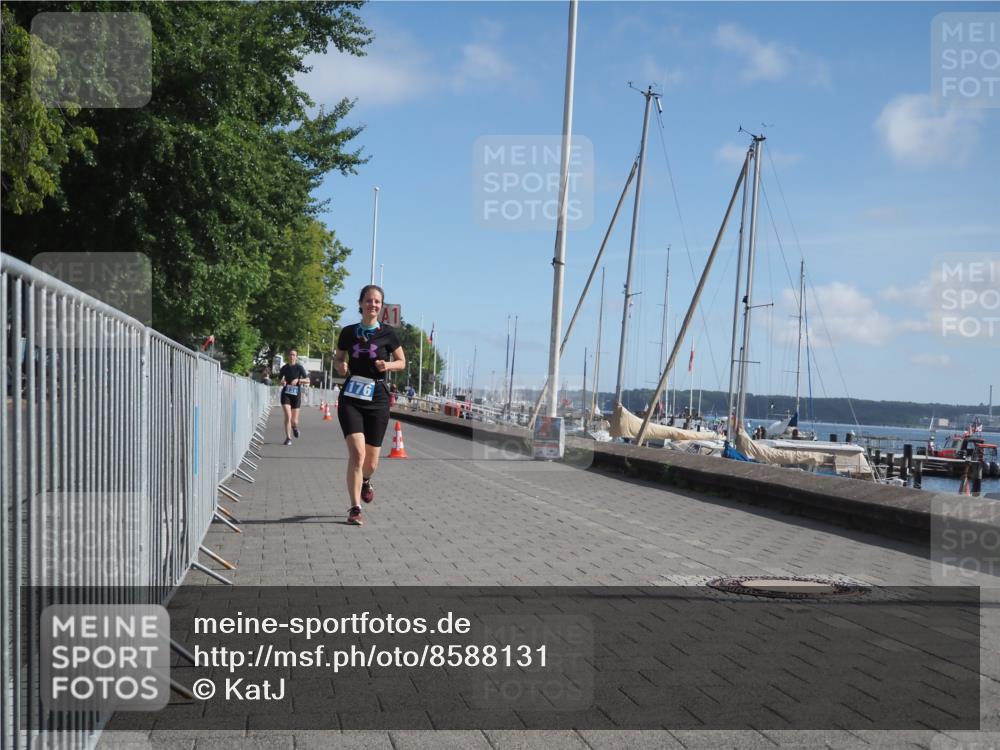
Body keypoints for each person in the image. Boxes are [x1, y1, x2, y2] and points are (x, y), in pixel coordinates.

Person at [334, 285, 406, 526]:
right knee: (357, 453)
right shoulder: (348, 332)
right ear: (361, 303)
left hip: (377, 397)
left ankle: (365, 480)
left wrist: (388, 366)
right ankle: (355, 508)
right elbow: (339, 358)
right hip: (352, 396)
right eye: (368, 300)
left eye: (377, 302)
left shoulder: (388, 333)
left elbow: (402, 362)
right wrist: (340, 367)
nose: (372, 305)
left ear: (381, 307)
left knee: (371, 462)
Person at [279, 349, 308, 446]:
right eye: (290, 354)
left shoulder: (299, 367)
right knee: (288, 416)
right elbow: (280, 379)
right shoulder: (284, 368)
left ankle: (294, 427)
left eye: (294, 355)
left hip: (296, 394)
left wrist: (298, 380)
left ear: (296, 357)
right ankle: (288, 438)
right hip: (286, 393)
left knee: (294, 421)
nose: (292, 356)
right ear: (288, 356)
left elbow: (308, 380)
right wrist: (282, 382)